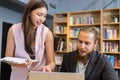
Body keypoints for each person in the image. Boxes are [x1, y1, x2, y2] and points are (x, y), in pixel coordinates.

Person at [5, 0, 55, 80]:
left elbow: (51, 62)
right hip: (18, 77)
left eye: (44, 16)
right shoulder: (13, 30)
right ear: (29, 12)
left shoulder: (47, 33)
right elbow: (8, 58)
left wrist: (48, 67)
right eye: (39, 14)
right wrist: (22, 64)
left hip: (38, 77)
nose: (42, 19)